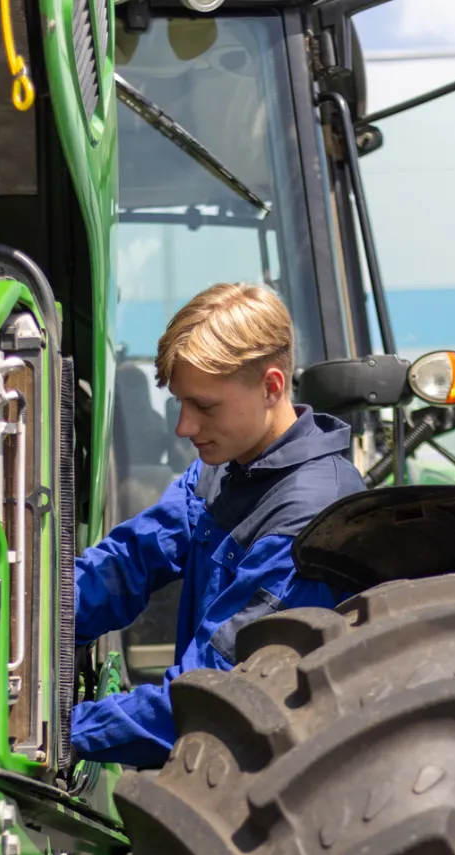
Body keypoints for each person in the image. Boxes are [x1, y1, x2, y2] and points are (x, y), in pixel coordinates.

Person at [71, 283, 364, 766]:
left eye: (205, 407)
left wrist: (61, 731)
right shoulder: (225, 468)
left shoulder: (310, 520)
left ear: (271, 386)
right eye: (179, 404)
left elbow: (215, 691)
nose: (184, 428)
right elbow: (128, 564)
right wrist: (28, 614)